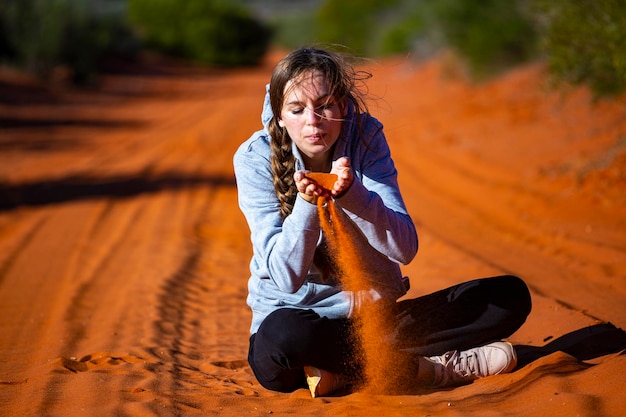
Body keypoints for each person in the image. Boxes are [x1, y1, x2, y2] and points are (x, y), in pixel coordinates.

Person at [233, 47, 532, 397]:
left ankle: (343, 373)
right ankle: (425, 370)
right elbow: (285, 278)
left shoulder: (365, 137)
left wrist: (352, 195)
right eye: (297, 110)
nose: (313, 121)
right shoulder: (254, 158)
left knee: (508, 297)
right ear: (281, 117)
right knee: (282, 340)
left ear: (342, 105)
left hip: (375, 323)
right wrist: (307, 202)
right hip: (301, 324)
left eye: (326, 105)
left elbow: (404, 248)